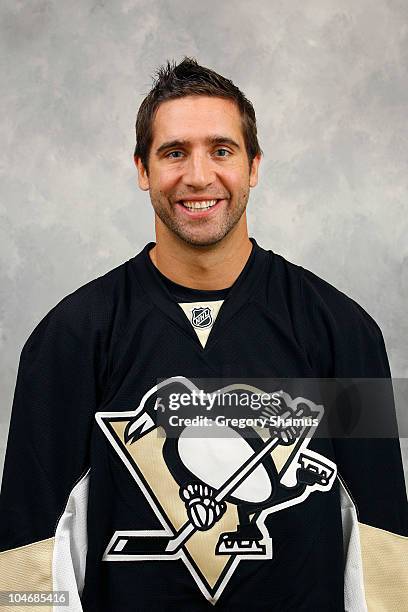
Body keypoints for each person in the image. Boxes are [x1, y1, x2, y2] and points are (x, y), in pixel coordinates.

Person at [0, 56, 406, 611]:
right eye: (173, 153)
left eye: (221, 150)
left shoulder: (342, 332)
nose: (197, 176)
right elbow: (28, 556)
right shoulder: (68, 340)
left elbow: (382, 549)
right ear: (142, 169)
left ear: (253, 164)